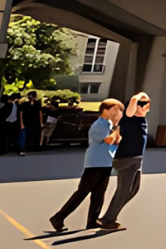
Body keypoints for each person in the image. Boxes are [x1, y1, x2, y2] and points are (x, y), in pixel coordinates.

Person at [48, 98, 120, 232]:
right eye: (115, 109)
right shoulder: (99, 124)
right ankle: (58, 217)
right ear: (106, 110)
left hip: (105, 161)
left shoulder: (108, 124)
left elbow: (116, 141)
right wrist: (117, 127)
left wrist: (116, 127)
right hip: (95, 163)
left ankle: (92, 221)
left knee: (99, 194)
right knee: (82, 192)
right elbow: (110, 140)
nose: (118, 112)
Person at [96, 93, 150, 231]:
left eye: (147, 104)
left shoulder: (140, 119)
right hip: (127, 159)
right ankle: (108, 219)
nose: (146, 107)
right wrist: (140, 96)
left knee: (133, 190)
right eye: (143, 105)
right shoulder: (129, 119)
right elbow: (132, 100)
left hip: (136, 159)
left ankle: (108, 217)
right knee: (123, 191)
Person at [18, 90, 43, 156]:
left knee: (35, 134)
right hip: (26, 121)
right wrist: (21, 123)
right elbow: (21, 113)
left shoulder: (37, 104)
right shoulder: (25, 104)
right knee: (23, 135)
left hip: (34, 122)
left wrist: (41, 122)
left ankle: (35, 147)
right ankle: (22, 149)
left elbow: (40, 113)